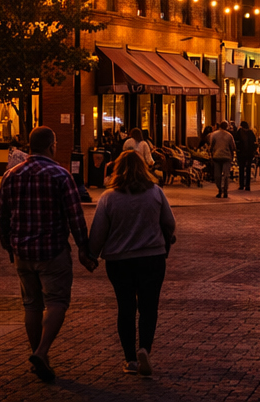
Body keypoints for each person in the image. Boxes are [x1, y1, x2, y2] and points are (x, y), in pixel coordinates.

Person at [0, 126, 95, 383]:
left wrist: (9, 246)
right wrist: (84, 248)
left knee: (31, 305)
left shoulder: (11, 175)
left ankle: (38, 354)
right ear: (51, 146)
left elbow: (1, 217)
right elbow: (75, 217)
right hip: (52, 251)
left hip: (22, 253)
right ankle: (41, 351)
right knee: (57, 301)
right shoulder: (60, 175)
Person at [88, 150, 176, 377]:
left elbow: (98, 233)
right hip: (152, 258)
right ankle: (144, 349)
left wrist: (91, 255)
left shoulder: (109, 197)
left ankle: (129, 359)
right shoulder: (155, 192)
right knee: (149, 307)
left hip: (119, 261)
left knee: (125, 307)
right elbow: (169, 222)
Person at [206, 121, 236, 199]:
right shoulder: (229, 135)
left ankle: (219, 190)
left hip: (217, 156)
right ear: (226, 127)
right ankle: (225, 191)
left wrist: (211, 154)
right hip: (227, 157)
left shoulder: (214, 135)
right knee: (226, 175)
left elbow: (211, 146)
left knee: (217, 175)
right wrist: (232, 156)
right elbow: (233, 147)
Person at [235, 119, 257, 191]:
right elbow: (254, 143)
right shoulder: (250, 133)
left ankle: (243, 185)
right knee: (246, 169)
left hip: (243, 153)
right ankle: (246, 185)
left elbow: (236, 142)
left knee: (243, 169)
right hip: (247, 154)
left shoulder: (239, 133)